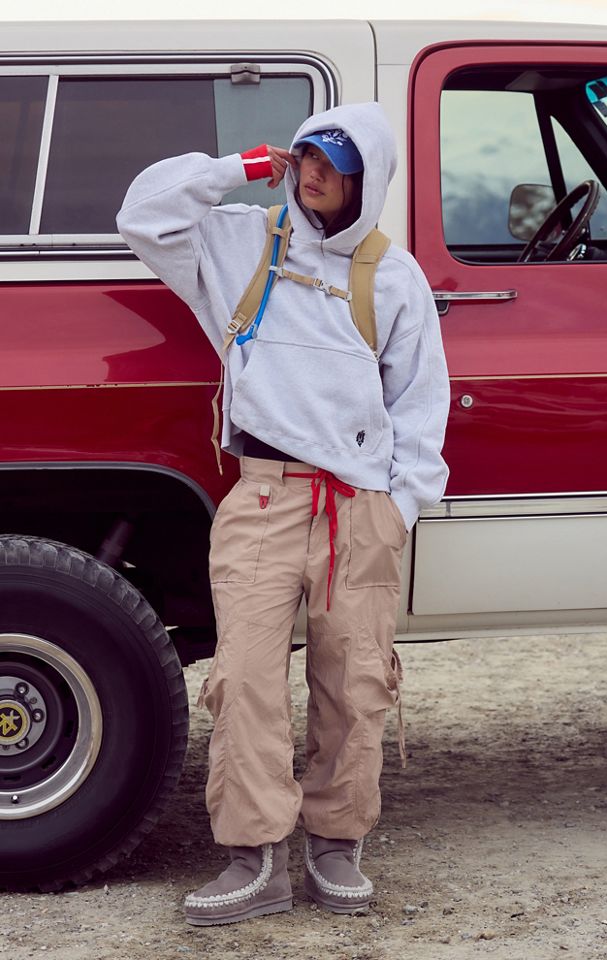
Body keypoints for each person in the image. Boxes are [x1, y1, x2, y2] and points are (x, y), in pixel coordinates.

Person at [117, 101, 450, 925]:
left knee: (355, 682)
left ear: (366, 180)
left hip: (358, 506)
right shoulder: (238, 243)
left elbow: (420, 404)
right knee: (245, 681)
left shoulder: (393, 275)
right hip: (262, 495)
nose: (313, 174)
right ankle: (253, 858)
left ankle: (337, 844)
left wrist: (399, 508)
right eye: (307, 157)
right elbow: (143, 214)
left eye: (334, 165)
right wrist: (238, 168)